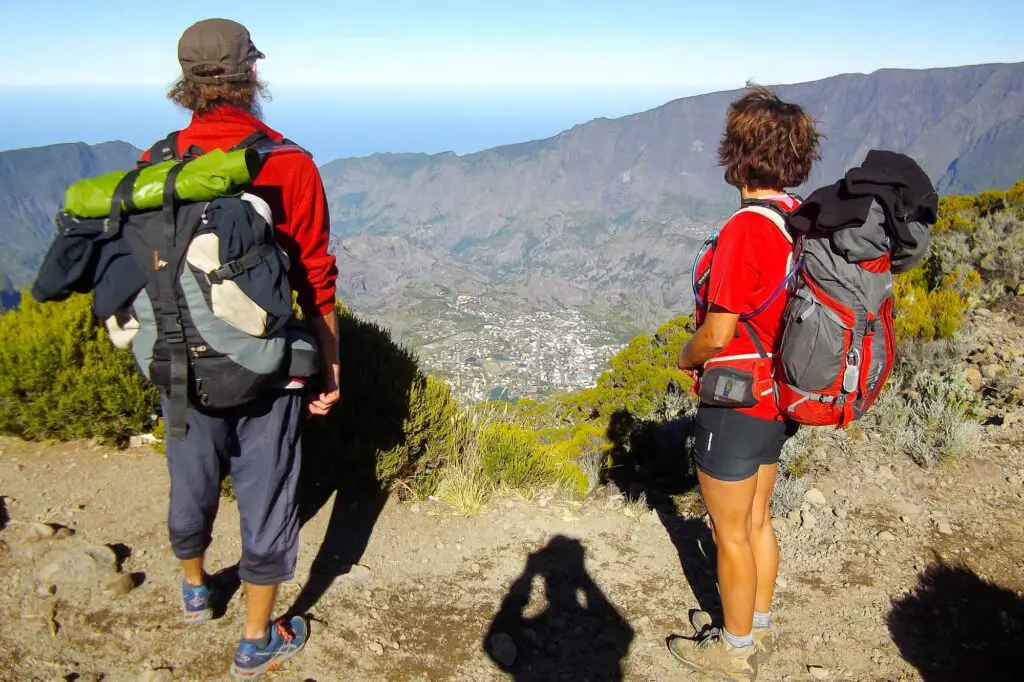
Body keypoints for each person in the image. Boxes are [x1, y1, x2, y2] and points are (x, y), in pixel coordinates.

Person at [146, 18, 340, 680]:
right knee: (267, 498)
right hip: (269, 373)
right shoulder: (288, 163)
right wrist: (328, 368)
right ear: (251, 74)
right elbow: (316, 276)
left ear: (184, 85)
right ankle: (256, 640)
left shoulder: (157, 163)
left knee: (190, 482)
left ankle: (196, 590)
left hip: (180, 366)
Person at [668, 87, 822, 680]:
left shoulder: (745, 229)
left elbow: (717, 331)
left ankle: (731, 652)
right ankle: (755, 624)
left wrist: (686, 358)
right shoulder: (797, 217)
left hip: (735, 399)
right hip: (778, 396)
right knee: (758, 518)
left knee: (727, 529)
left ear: (738, 155)